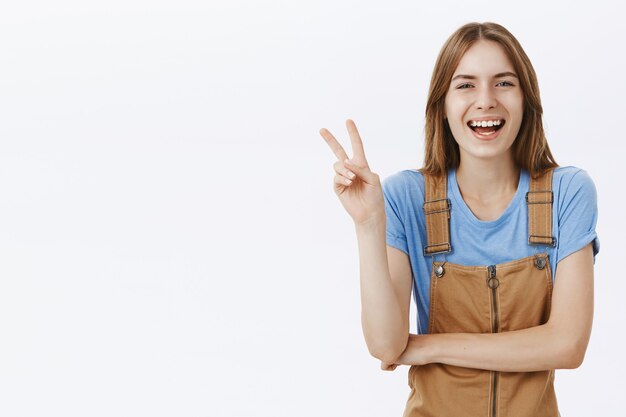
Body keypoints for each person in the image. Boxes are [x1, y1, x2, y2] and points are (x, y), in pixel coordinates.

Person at [319, 22, 599, 416]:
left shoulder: (567, 192)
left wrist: (429, 345)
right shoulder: (404, 196)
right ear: (442, 106)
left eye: (504, 83)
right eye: (465, 85)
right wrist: (368, 225)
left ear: (527, 99)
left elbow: (568, 345)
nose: (485, 101)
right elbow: (386, 345)